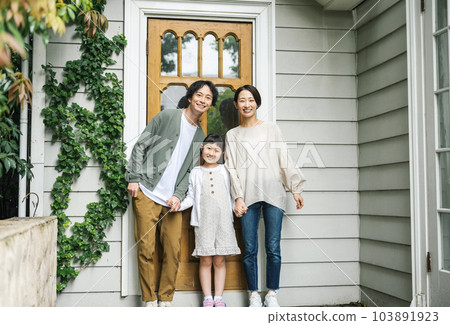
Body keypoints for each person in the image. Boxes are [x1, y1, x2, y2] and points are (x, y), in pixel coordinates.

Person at [126, 80, 218, 307]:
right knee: (146, 249)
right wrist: (134, 177)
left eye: (208, 98)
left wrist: (178, 195)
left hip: (171, 202)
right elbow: (140, 147)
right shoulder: (166, 117)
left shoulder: (200, 134)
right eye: (199, 95)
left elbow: (189, 170)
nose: (203, 100)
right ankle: (148, 299)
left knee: (173, 250)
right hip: (147, 191)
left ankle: (165, 298)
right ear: (190, 97)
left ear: (210, 104)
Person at [224, 85, 306, 307]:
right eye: (242, 100)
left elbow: (284, 158)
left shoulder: (271, 129)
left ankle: (271, 294)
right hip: (247, 196)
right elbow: (231, 168)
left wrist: (295, 187)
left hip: (273, 193)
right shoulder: (232, 135)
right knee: (249, 249)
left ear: (257, 103)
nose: (247, 104)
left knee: (273, 247)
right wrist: (238, 197)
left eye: (251, 100)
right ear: (236, 104)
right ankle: (253, 294)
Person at [179, 134, 240, 307]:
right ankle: (207, 297)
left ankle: (219, 297)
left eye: (216, 150)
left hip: (223, 222)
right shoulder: (196, 172)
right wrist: (179, 206)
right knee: (205, 260)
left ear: (222, 153)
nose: (211, 152)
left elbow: (234, 193)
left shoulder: (225, 171)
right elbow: (191, 197)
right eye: (208, 148)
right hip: (203, 222)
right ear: (202, 148)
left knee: (219, 260)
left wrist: (238, 204)